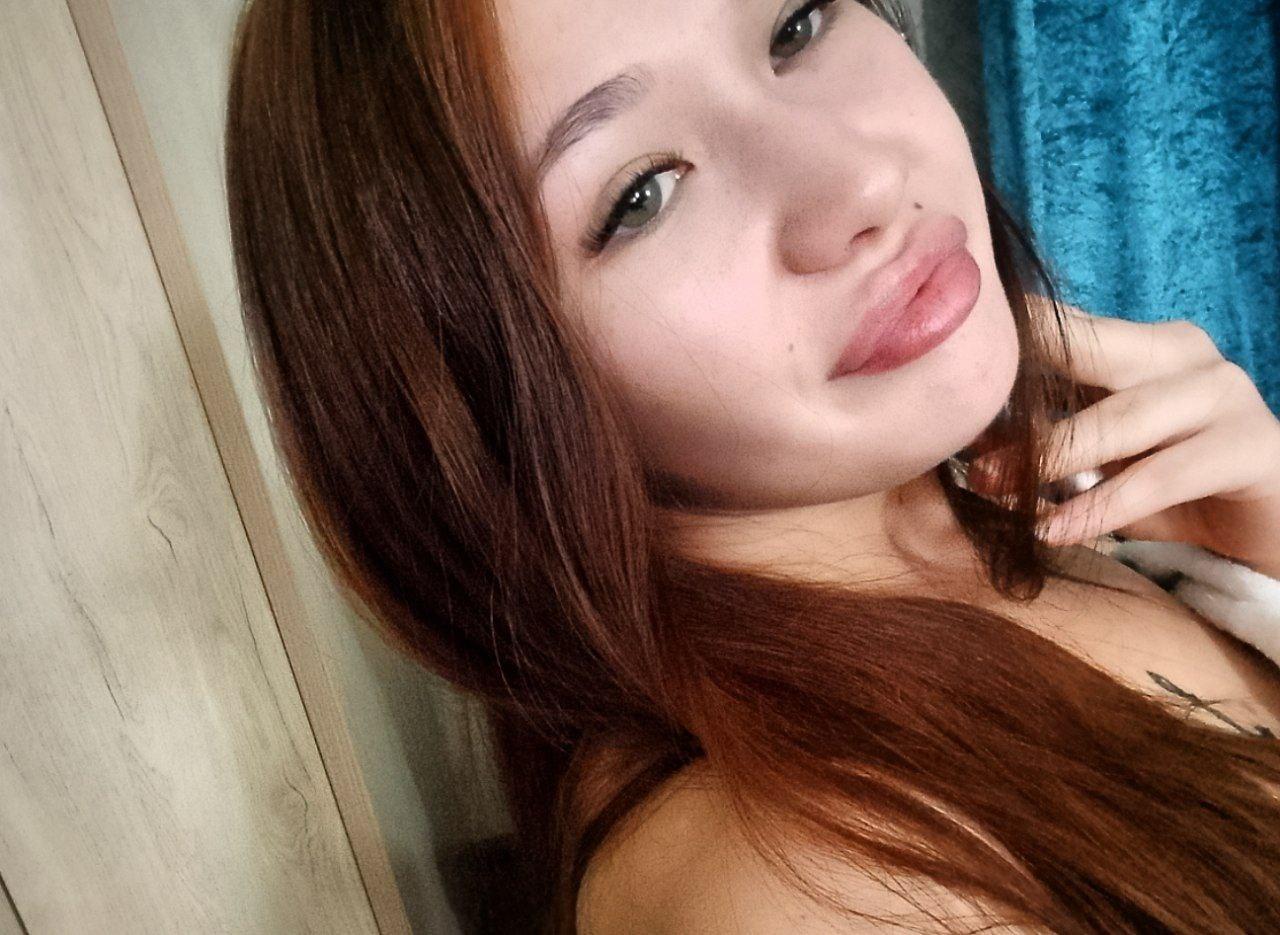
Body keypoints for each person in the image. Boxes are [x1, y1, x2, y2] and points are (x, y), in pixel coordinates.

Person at [223, 0, 1280, 931]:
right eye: (641, 195)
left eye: (794, 26)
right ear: (474, 394)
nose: (860, 178)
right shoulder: (806, 884)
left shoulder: (1022, 521)